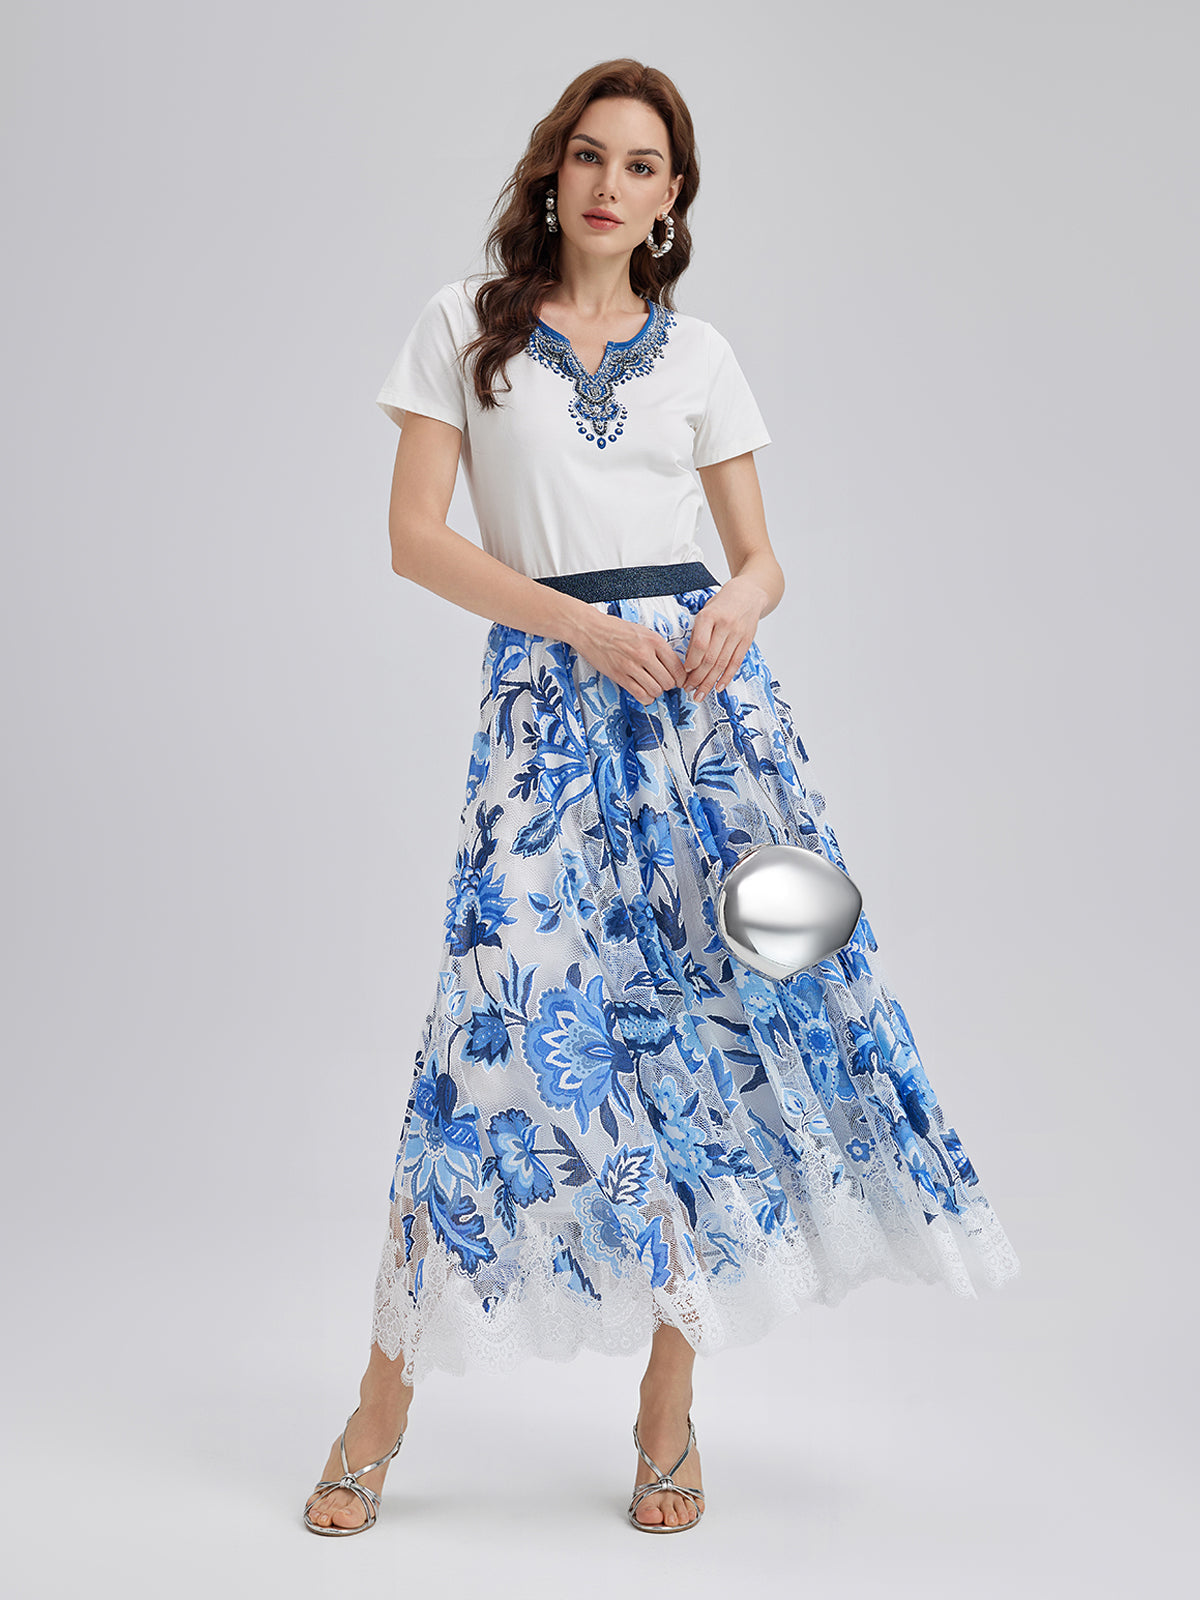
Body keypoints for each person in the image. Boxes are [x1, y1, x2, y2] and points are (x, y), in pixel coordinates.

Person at [304, 57, 1021, 1539]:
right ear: (552, 170)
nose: (609, 184)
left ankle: (668, 1409)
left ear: (671, 198)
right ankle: (378, 1411)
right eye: (589, 155)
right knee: (488, 1040)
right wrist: (577, 626)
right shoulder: (466, 328)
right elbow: (413, 539)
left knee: (718, 1024)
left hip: (703, 722)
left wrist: (738, 607)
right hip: (548, 710)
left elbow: (761, 559)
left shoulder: (701, 357)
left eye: (640, 165)